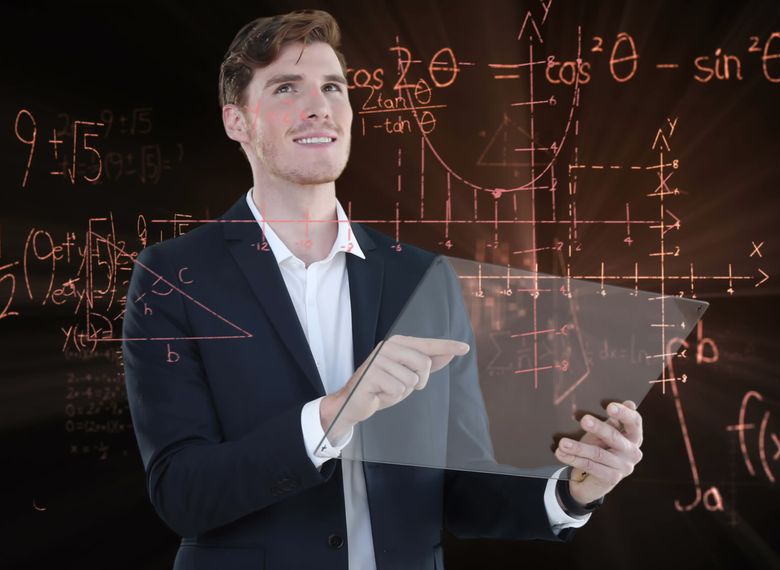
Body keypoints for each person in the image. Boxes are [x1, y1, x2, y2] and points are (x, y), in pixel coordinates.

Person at [123, 9, 643, 570]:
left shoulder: (422, 278)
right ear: (237, 121)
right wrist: (330, 417)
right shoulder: (173, 278)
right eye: (284, 88)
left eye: (331, 87)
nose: (317, 105)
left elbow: (458, 491)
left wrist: (571, 491)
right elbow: (181, 494)